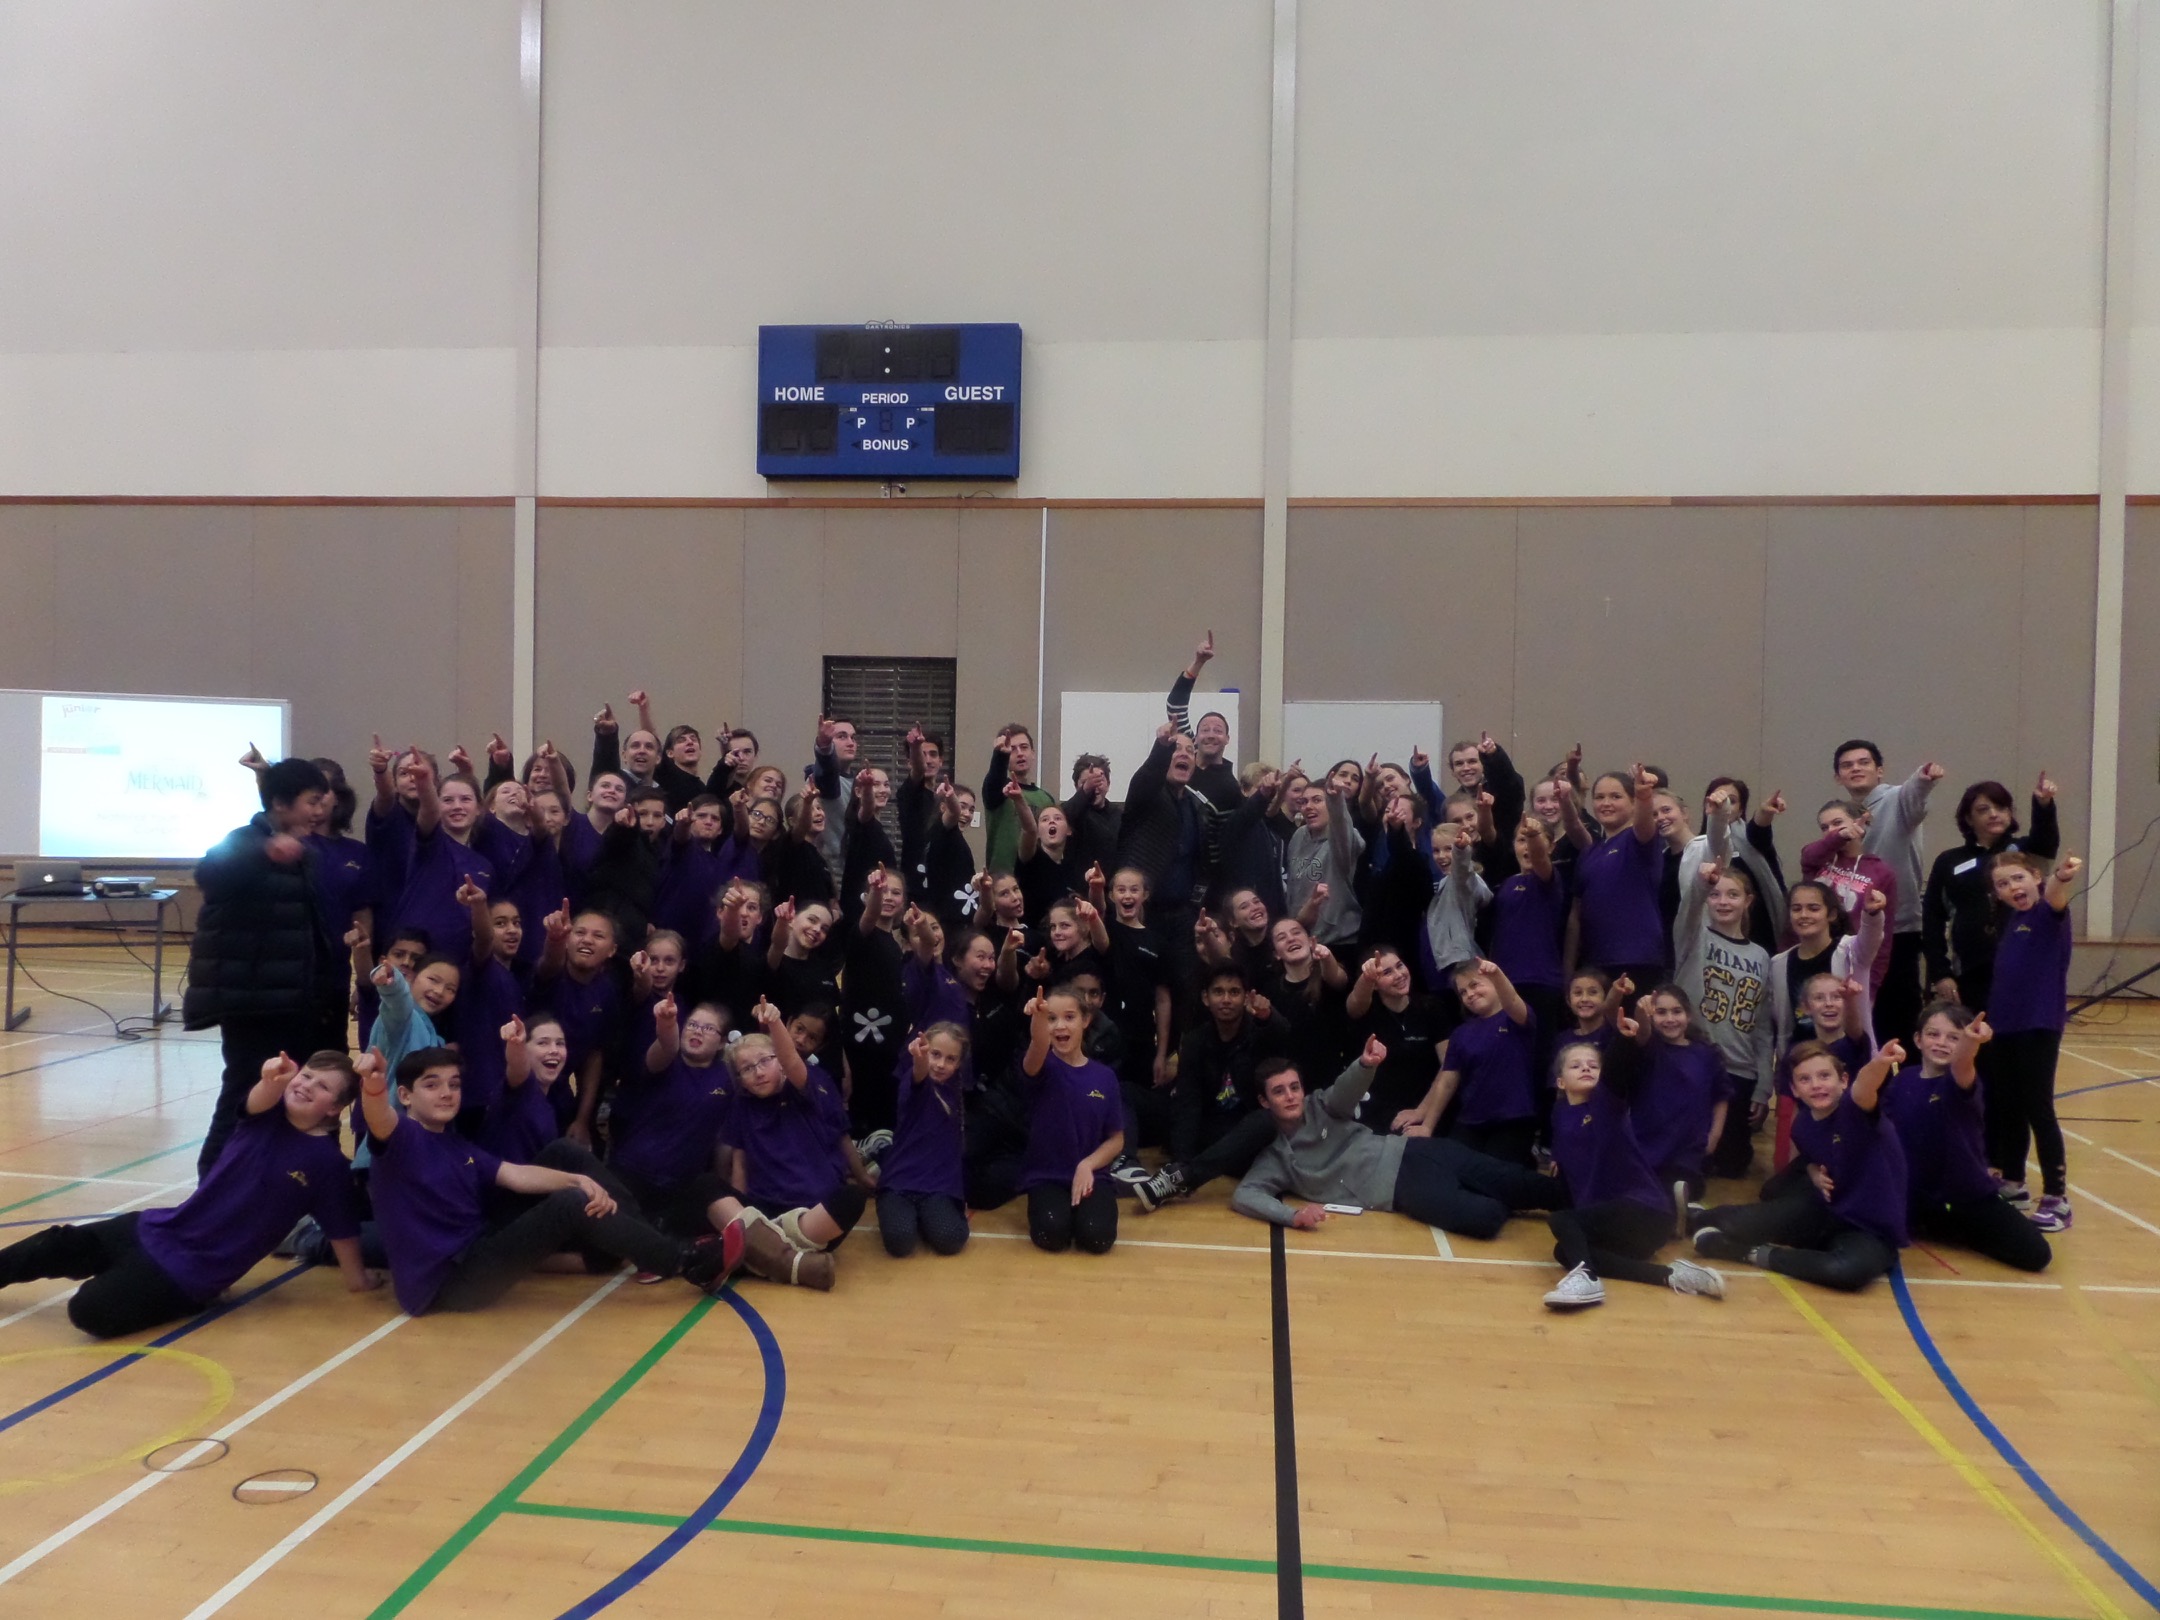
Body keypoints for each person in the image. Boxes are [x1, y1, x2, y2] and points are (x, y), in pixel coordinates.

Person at [0, 1052, 379, 1338]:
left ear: (335, 1108)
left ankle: (181, 1299)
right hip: (158, 1227)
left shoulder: (328, 1165)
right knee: (57, 1244)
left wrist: (358, 1280)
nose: (307, 1085)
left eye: (322, 1086)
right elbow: (260, 1096)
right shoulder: (266, 1115)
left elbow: (341, 1230)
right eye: (306, 1075)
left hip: (189, 1272)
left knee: (87, 1311)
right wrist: (270, 1079)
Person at [360, 1047, 739, 1314]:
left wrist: (578, 1178)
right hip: (452, 1284)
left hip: (479, 1245)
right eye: (432, 1085)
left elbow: (516, 1175)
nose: (447, 1093)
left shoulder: (454, 1143)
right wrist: (374, 1087)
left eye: (454, 1084)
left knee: (564, 1153)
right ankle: (683, 1262)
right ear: (405, 1095)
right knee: (570, 1204)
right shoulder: (403, 1138)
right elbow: (380, 1119)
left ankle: (648, 1245)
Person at [184, 756, 344, 1174]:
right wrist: (262, 851)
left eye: (322, 800)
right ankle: (210, 1190)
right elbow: (209, 873)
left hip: (295, 1003)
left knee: (293, 1101)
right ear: (280, 804)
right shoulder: (243, 842)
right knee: (245, 1097)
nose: (319, 810)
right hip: (254, 1006)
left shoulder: (304, 853)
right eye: (311, 801)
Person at [1232, 1040, 1561, 1239]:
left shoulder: (1321, 1105)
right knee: (1485, 1219)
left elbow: (1344, 1090)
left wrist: (1365, 1064)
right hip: (1402, 1189)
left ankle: (1585, 1207)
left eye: (1294, 1087)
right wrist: (1292, 1216)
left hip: (1415, 1149)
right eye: (1279, 1091)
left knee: (1524, 1183)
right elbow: (1245, 1195)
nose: (1291, 1096)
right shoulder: (1276, 1157)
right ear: (1264, 1101)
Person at [1691, 1039, 1907, 1292]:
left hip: (1869, 1230)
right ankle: (1692, 1216)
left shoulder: (1855, 1110)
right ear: (1794, 1089)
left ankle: (1747, 1253)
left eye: (1824, 1076)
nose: (1816, 1085)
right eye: (1805, 1079)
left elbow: (1864, 1087)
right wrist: (1814, 1172)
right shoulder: (1803, 1126)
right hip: (1823, 1214)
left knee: (1845, 1271)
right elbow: (1813, 1157)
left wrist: (1879, 1063)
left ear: (1843, 1081)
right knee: (1741, 1222)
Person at [1541, 1023, 1726, 1310]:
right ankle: (1672, 1275)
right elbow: (1567, 1149)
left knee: (1562, 1221)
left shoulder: (1604, 1104)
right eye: (1575, 1066)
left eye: (1593, 1065)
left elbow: (1615, 1073)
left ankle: (1587, 1280)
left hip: (1644, 1211)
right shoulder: (1560, 1112)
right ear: (1560, 1082)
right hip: (1620, 1228)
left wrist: (1623, 1040)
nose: (1586, 1068)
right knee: (1564, 1251)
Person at [703, 1000, 868, 1289]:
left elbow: (792, 1060)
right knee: (704, 1186)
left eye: (765, 1061)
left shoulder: (802, 1085)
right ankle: (790, 1262)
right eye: (747, 1069)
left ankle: (753, 1252)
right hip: (763, 1209)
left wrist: (775, 1022)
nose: (758, 1072)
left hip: (810, 1215)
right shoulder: (742, 1105)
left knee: (851, 1198)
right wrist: (740, 1210)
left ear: (779, 1060)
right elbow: (740, 1164)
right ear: (740, 1080)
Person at [1884, 1005, 2050, 1271]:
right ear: (1918, 1039)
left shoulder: (1958, 1082)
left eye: (1953, 1038)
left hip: (1969, 1196)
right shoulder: (1902, 1080)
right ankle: (1939, 1225)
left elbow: (1962, 1064)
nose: (1942, 1043)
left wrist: (1970, 1043)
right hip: (1917, 1198)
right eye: (1933, 1034)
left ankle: (1960, 1230)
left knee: (2036, 1254)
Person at [1132, 965, 1287, 1211]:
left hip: (1245, 1129)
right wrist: (1180, 1159)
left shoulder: (1258, 1032)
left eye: (1234, 992)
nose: (1226, 999)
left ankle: (1185, 1178)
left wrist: (1269, 1016)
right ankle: (1179, 1172)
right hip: (1211, 1128)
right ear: (1206, 998)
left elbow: (1284, 1037)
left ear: (1245, 998)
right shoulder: (1195, 1041)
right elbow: (1188, 1102)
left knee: (1266, 1121)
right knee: (1147, 1102)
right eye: (1218, 992)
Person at [1984, 851, 2082, 1230]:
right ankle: (2014, 1183)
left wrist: (2062, 876)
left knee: (2038, 1107)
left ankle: (2057, 1198)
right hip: (2005, 1026)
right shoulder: (2013, 921)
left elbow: (2057, 894)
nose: (2012, 887)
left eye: (2018, 878)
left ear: (2035, 877)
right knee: (2009, 1106)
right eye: (2003, 884)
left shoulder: (2046, 914)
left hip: (2038, 1025)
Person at [1832, 741, 1944, 1048]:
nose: (1855, 768)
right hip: (1854, 934)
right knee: (1862, 1017)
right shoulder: (1841, 816)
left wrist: (1924, 778)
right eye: (1847, 765)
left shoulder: (1896, 799)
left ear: (1879, 770)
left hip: (1898, 931)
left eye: (1863, 762)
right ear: (1838, 777)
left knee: (1901, 1020)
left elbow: (1914, 795)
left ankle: (1910, 1077)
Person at [1923, 773, 2061, 1012]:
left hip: (2024, 966)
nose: (1994, 814)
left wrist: (2043, 804)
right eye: (1983, 810)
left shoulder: (2026, 851)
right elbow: (1932, 920)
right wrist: (1941, 973)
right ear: (1968, 818)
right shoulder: (1949, 861)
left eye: (2001, 807)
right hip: (1971, 970)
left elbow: (2046, 838)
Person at [1673, 852, 1772, 1179]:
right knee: (1688, 1156)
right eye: (1715, 895)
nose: (1723, 902)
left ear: (1748, 901)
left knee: (1732, 1166)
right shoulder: (1694, 938)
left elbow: (1762, 1026)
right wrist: (1702, 883)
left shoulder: (1762, 957)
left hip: (1739, 1069)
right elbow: (1689, 908)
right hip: (1694, 1061)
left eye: (1732, 895)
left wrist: (1763, 1084)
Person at [1395, 960, 1540, 1167]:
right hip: (1471, 1121)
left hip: (1512, 1119)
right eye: (1463, 992)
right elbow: (1447, 1082)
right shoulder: (1461, 1034)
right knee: (1452, 1168)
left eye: (1475, 985)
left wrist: (1497, 974)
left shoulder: (1515, 1019)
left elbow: (1513, 1000)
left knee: (1494, 1174)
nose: (1470, 994)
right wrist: (1427, 1126)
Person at [1014, 987, 1125, 1255]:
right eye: (1052, 1019)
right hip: (1048, 1177)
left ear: (1085, 1020)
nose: (1060, 1026)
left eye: (1069, 1017)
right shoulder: (1042, 1065)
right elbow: (1039, 1043)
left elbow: (1116, 1139)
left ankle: (1083, 1213)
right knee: (1051, 1234)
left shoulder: (1105, 1077)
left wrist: (1088, 1165)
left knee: (1097, 1238)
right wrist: (1038, 1017)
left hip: (1092, 1175)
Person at [877, 1025, 972, 1258]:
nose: (940, 1064)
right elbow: (919, 1075)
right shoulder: (914, 1082)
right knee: (899, 1242)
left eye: (950, 1059)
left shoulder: (954, 1088)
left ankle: (924, 1216)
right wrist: (920, 1059)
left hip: (938, 1184)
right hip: (900, 1181)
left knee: (950, 1239)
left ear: (959, 1063)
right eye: (935, 1054)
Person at [1568, 765, 1666, 986]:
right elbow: (1576, 913)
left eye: (1615, 796)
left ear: (1632, 803)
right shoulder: (1590, 852)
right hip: (1595, 962)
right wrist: (1569, 966)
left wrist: (1644, 795)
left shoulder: (1638, 839)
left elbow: (1644, 824)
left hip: (1636, 958)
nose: (1606, 803)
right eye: (1599, 797)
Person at [1165, 629, 1241, 810]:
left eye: (1218, 731)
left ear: (1227, 739)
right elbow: (1175, 705)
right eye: (1205, 730)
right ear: (1196, 737)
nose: (1211, 735)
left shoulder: (1230, 787)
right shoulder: (1185, 755)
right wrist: (1198, 662)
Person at [982, 725, 1055, 875]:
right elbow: (994, 781)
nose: (1020, 753)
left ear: (1033, 753)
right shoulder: (1001, 790)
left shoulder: (1045, 798)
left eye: (1024, 747)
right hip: (1004, 878)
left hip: (1039, 877)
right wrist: (1000, 755)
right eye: (1013, 749)